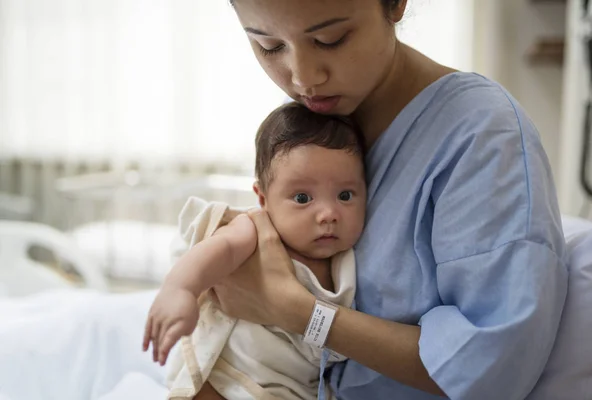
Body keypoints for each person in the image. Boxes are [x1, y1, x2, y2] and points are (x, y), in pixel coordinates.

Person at [204, 1, 569, 399]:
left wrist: (299, 313)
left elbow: (493, 366)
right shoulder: (319, 126)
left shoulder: (481, 138)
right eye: (270, 46)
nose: (304, 77)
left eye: (331, 39)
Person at [143, 102, 367, 399]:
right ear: (263, 198)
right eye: (302, 197)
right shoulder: (257, 230)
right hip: (227, 375)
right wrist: (181, 288)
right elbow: (220, 248)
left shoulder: (351, 263)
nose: (328, 213)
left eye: (345, 195)